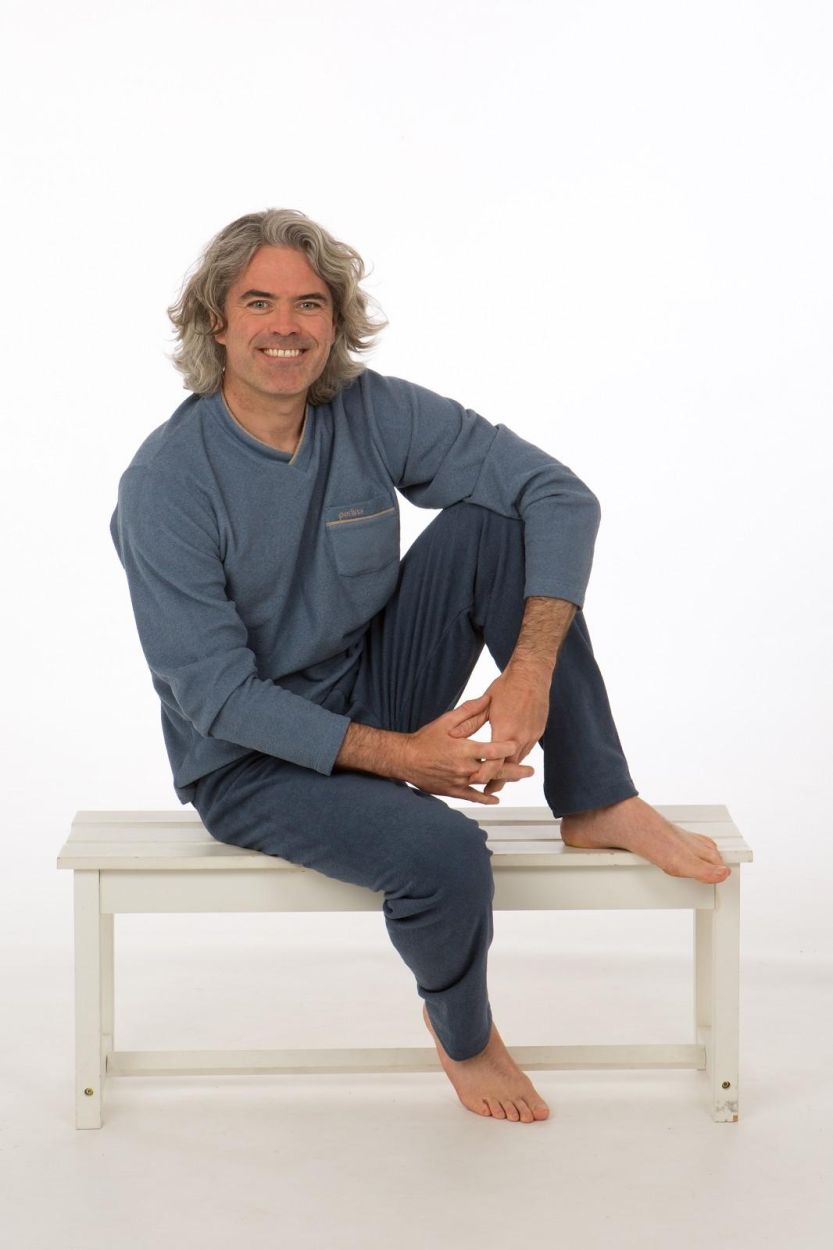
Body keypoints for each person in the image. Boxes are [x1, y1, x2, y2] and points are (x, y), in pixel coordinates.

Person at [110, 208, 731, 1125]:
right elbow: (214, 694)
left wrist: (527, 672)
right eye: (259, 303)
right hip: (248, 762)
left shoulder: (371, 410)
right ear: (217, 321)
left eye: (309, 304)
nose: (286, 326)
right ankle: (465, 1035)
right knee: (443, 855)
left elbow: (559, 494)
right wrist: (406, 759)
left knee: (497, 523)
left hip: (374, 686)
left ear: (335, 319)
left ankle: (597, 796)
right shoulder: (166, 482)